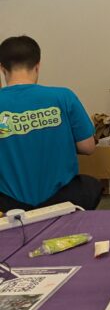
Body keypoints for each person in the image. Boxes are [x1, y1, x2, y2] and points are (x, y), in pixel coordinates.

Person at [0, 35, 101, 212]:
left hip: (9, 207)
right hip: (61, 201)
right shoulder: (64, 97)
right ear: (37, 65)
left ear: (2, 68)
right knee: (90, 186)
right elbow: (88, 147)